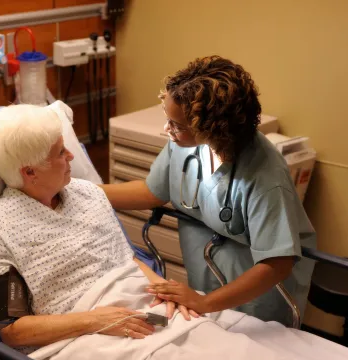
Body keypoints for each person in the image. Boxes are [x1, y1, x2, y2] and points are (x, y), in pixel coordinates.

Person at [100, 55, 316, 326]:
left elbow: (277, 264)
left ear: (213, 129)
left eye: (177, 125)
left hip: (257, 297)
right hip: (206, 284)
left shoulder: (265, 178)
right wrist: (84, 191)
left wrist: (204, 302)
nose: (167, 129)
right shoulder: (185, 145)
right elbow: (152, 191)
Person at [0, 104, 198, 350]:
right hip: (85, 334)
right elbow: (14, 331)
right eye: (59, 152)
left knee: (212, 333)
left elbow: (127, 259)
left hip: (144, 309)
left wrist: (166, 292)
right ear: (31, 171)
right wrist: (95, 321)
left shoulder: (87, 193)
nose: (71, 155)